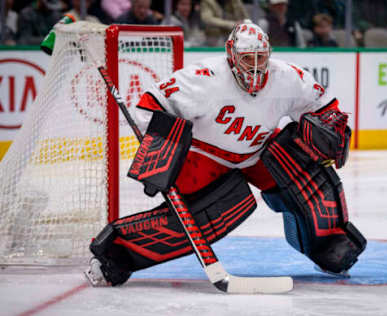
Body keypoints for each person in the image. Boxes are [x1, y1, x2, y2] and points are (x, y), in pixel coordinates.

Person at [84, 20, 366, 287]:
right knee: (212, 215)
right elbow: (148, 108)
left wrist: (332, 127)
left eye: (261, 58)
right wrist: (160, 155)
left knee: (306, 176)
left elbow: (324, 108)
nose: (256, 67)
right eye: (247, 58)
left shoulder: (287, 77)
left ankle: (329, 245)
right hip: (204, 158)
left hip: (256, 152)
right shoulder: (202, 80)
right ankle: (114, 256)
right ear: (232, 56)